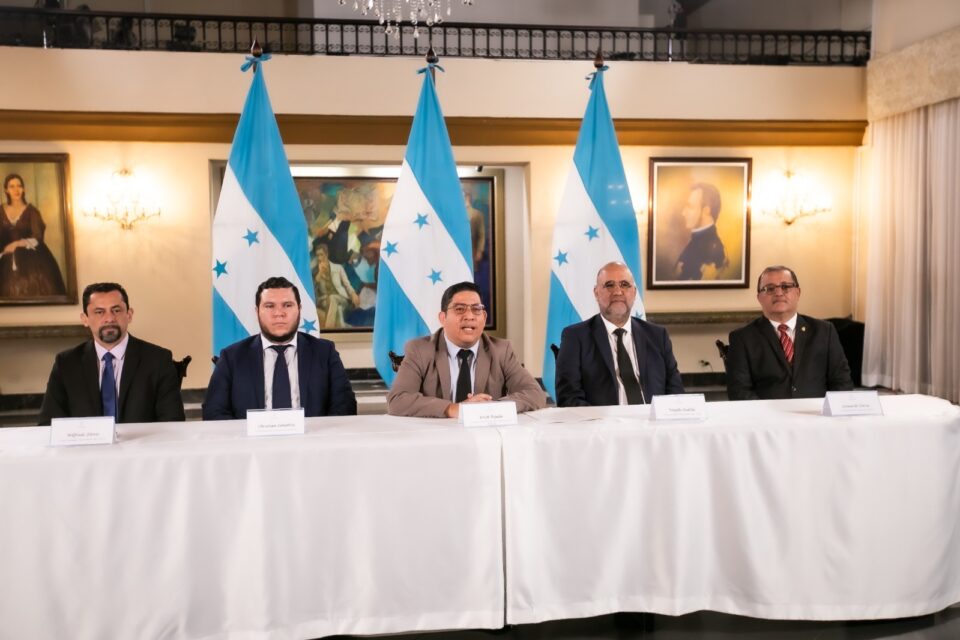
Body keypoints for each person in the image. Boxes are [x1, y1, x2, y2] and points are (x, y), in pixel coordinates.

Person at [203, 276, 356, 419]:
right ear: (257, 312)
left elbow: (345, 407)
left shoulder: (325, 353)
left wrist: (317, 437)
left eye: (287, 305)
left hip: (313, 438)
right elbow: (214, 412)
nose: (279, 313)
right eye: (269, 306)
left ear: (299, 309)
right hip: (249, 439)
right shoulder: (231, 358)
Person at [386, 281, 546, 418]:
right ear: (443, 318)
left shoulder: (501, 350)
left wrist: (490, 408)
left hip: (486, 436)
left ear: (484, 318)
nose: (469, 316)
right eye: (459, 309)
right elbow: (398, 399)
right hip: (437, 436)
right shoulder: (420, 350)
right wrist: (454, 409)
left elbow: (534, 393)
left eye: (476, 309)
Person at [38, 282, 185, 425]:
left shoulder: (158, 360)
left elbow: (173, 423)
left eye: (116, 310)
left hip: (143, 442)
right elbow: (48, 424)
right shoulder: (66, 364)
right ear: (85, 319)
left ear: (129, 315)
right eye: (99, 312)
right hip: (85, 442)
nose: (109, 318)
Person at [556, 262, 684, 406]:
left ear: (634, 292)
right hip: (601, 419)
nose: (618, 292)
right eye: (609, 285)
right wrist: (604, 419)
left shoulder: (658, 336)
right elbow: (568, 398)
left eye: (624, 284)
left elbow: (676, 392)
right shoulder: (575, 337)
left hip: (651, 418)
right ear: (596, 293)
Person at [726, 265, 853, 400]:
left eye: (785, 286)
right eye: (770, 288)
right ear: (759, 298)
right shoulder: (742, 338)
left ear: (798, 293)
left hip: (816, 411)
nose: (779, 293)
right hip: (767, 413)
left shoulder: (824, 331)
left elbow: (842, 381)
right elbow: (739, 391)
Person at [0, 173, 67, 298]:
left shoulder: (32, 211)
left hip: (32, 258)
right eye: (11, 186)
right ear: (6, 190)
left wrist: (16, 244)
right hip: (5, 258)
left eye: (19, 186)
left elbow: (38, 237)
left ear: (23, 189)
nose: (16, 190)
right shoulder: (0, 211)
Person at [674, 182, 727, 281]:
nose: (683, 213)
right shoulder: (697, 242)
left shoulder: (713, 250)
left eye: (690, 207)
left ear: (706, 211)